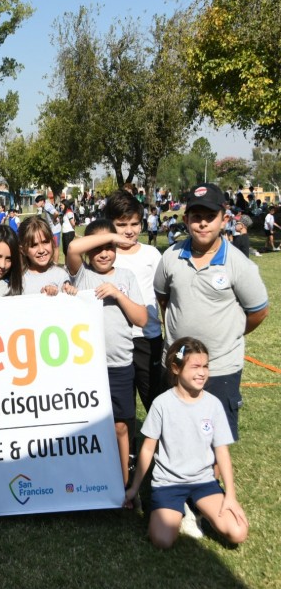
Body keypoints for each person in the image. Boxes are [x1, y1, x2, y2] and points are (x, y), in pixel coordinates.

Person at [154, 183, 268, 441]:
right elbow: (163, 298)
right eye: (196, 216)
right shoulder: (170, 256)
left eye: (210, 216)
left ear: (224, 220)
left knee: (215, 440)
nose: (203, 223)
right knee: (174, 435)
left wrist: (230, 334)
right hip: (177, 363)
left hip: (220, 367)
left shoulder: (239, 264)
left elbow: (259, 312)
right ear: (186, 220)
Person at [124, 337, 248, 549]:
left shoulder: (213, 404)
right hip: (168, 483)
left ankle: (194, 507)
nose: (202, 372)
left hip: (203, 481)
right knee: (162, 540)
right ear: (175, 368)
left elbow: (222, 452)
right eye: (195, 367)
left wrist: (231, 496)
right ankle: (177, 510)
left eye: (205, 366)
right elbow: (147, 449)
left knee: (238, 532)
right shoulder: (162, 404)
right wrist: (134, 488)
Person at [67, 219, 147, 487]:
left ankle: (123, 483)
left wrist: (118, 295)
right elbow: (73, 248)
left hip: (120, 365)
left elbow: (141, 319)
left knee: (121, 426)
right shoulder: (82, 274)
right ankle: (92, 482)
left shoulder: (126, 277)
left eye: (110, 248)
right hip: (88, 367)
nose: (104, 253)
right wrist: (112, 236)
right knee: (88, 426)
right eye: (98, 248)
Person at [104, 191, 164, 415]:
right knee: (121, 407)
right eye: (121, 224)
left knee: (155, 401)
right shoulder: (105, 255)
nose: (129, 230)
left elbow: (163, 296)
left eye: (134, 224)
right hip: (116, 342)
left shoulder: (152, 254)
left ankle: (159, 438)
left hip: (147, 338)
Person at [18, 216, 74, 296]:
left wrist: (68, 291)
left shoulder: (61, 275)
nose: (41, 250)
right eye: (34, 245)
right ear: (23, 250)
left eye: (45, 242)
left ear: (52, 242)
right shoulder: (18, 280)